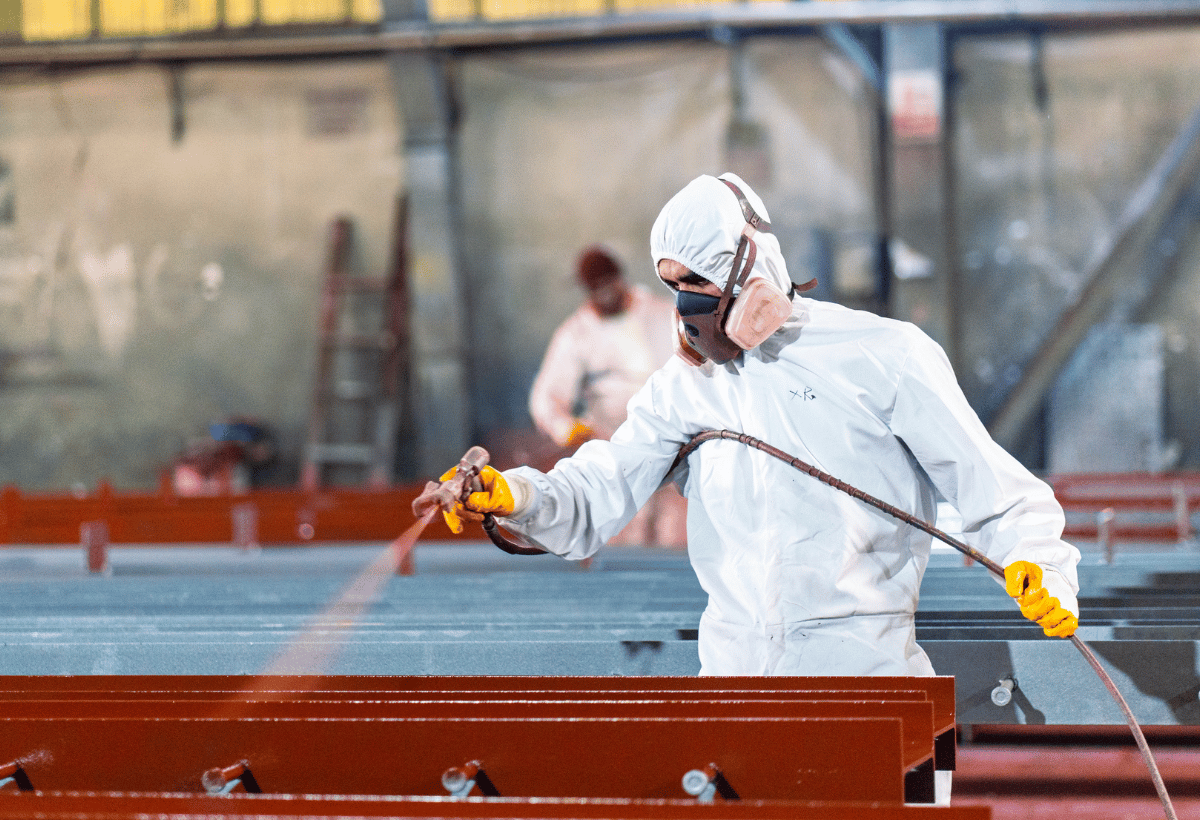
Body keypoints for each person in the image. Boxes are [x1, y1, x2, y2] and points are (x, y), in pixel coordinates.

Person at [441, 172, 1081, 680]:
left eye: (697, 281)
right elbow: (598, 488)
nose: (686, 305)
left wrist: (1039, 564)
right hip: (736, 680)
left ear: (752, 269)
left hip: (863, 676)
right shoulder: (687, 386)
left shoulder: (884, 356)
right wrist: (517, 495)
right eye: (671, 284)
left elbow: (994, 491)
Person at [527, 245, 686, 548]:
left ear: (620, 279)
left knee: (675, 535)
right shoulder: (577, 333)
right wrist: (566, 427)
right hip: (614, 447)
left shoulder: (662, 313)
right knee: (624, 537)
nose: (603, 294)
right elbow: (546, 397)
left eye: (607, 285)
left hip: (672, 442)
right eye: (594, 288)